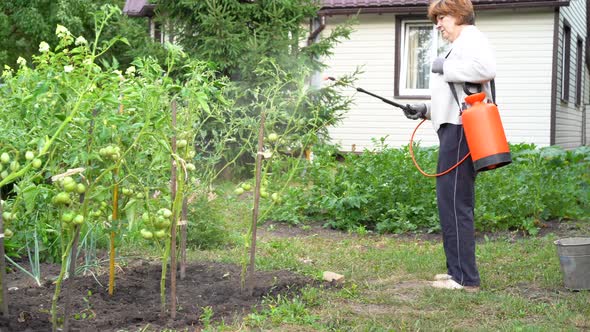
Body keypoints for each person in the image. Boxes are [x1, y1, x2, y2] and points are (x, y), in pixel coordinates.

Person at [404, 0, 496, 292]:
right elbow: (460, 94)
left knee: (456, 204)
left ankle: (465, 279)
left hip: (461, 131)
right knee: (450, 202)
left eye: (441, 17)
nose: (438, 25)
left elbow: (486, 69)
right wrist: (426, 111)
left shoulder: (471, 38)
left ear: (458, 15)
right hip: (453, 128)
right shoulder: (459, 45)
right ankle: (456, 271)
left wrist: (445, 66)